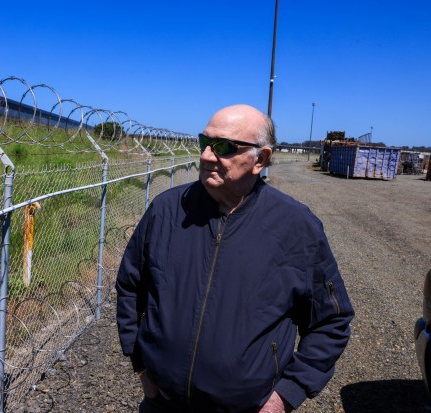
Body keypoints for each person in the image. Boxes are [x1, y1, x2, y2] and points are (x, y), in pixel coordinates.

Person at [116, 104, 354, 412]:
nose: (205, 156)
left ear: (261, 159)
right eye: (204, 142)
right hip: (162, 403)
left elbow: (331, 320)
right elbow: (130, 286)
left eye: (224, 147)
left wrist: (285, 395)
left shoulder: (296, 228)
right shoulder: (166, 211)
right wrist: (140, 366)